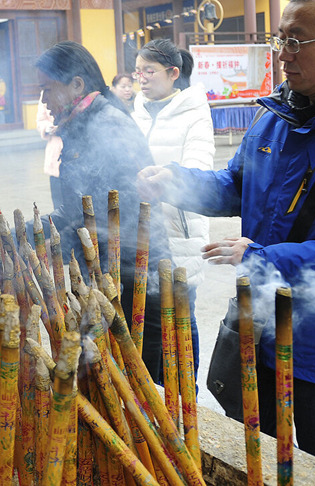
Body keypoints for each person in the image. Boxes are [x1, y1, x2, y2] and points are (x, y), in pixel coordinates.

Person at [137, 0, 315, 476]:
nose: (282, 53)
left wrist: (264, 257)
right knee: (256, 458)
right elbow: (235, 184)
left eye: (296, 40)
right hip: (256, 326)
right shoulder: (276, 113)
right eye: (279, 38)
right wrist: (176, 183)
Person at [35, 41, 182, 381]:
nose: (44, 102)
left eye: (47, 90)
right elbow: (78, 212)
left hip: (137, 287)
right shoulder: (81, 124)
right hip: (109, 282)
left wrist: (34, 235)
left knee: (140, 392)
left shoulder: (108, 125)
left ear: (76, 85)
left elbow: (100, 219)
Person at [132, 39, 215, 376]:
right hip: (139, 229)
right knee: (147, 316)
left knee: (180, 314)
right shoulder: (134, 111)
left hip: (178, 228)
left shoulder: (194, 112)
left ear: (173, 73)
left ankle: (186, 392)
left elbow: (199, 167)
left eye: (149, 71)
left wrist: (166, 179)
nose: (141, 78)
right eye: (138, 71)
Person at [36, 92, 63, 211]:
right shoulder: (47, 90)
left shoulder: (74, 86)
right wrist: (48, 128)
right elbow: (41, 120)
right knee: (58, 202)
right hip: (55, 152)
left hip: (75, 149)